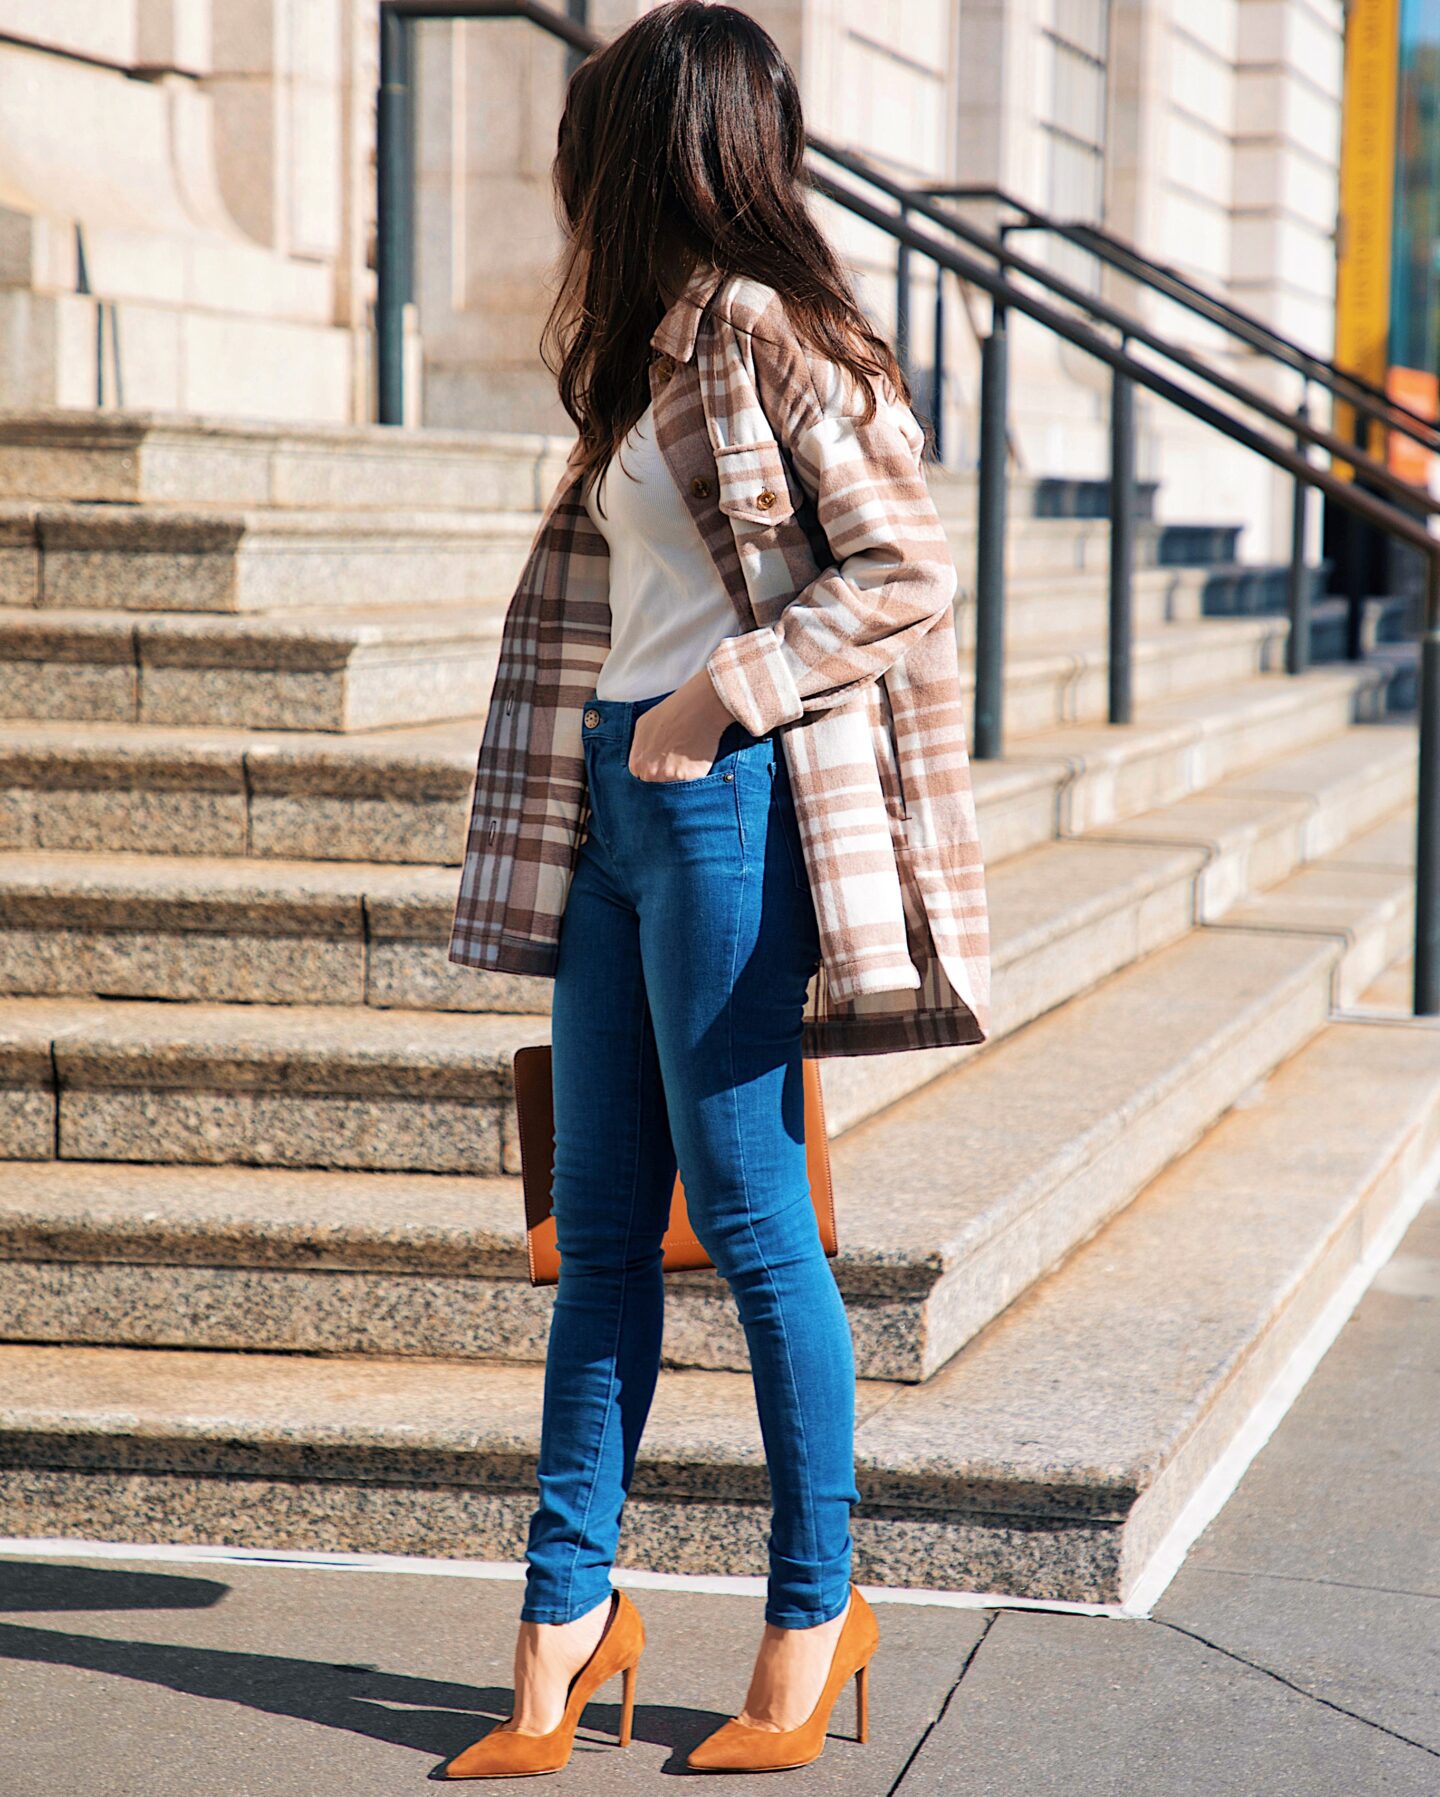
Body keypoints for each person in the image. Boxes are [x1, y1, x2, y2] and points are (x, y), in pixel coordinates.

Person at [441, 0, 990, 1777]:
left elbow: (904, 564)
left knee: (753, 1226)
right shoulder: (652, 344)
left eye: (589, 137)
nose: (564, 169)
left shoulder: (759, 329)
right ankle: (564, 1616)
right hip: (617, 803)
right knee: (598, 1235)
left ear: (666, 146)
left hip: (716, 800)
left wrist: (716, 697)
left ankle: (816, 1612)